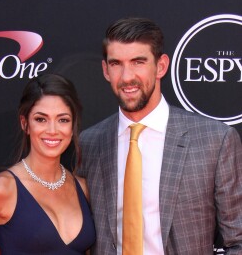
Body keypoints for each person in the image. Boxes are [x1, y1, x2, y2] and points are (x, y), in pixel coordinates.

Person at [78, 17, 242, 254]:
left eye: (138, 62)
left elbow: (238, 240)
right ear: (105, 70)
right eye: (116, 64)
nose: (126, 77)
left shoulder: (214, 140)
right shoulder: (89, 143)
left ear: (161, 66)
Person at [0, 73, 96, 254]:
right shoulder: (3, 189)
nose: (52, 130)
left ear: (72, 126)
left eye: (63, 120)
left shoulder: (83, 188)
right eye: (41, 119)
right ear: (25, 124)